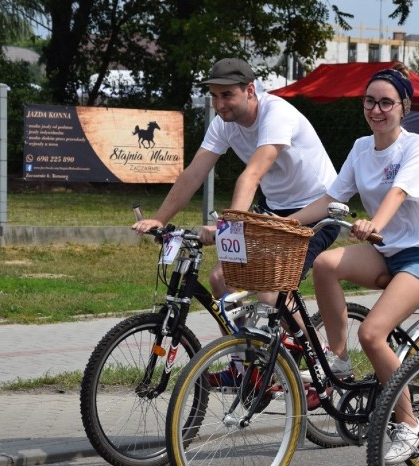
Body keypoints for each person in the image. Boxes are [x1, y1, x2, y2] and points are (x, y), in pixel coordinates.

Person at [132, 58, 340, 389]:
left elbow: (252, 174)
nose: (219, 104)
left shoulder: (277, 115)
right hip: (276, 209)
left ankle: (322, 360)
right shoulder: (224, 122)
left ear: (250, 90)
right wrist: (160, 218)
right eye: (214, 96)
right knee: (222, 279)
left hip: (318, 208)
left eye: (227, 95)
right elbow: (194, 174)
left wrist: (230, 228)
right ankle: (245, 365)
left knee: (268, 292)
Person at [290, 63, 419, 465]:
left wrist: (374, 223)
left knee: (374, 334)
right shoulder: (362, 147)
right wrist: (283, 224)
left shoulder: (416, 147)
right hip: (386, 251)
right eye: (369, 102)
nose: (376, 110)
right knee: (326, 264)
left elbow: (399, 192)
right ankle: (338, 358)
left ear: (404, 107)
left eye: (386, 103)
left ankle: (410, 424)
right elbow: (332, 199)